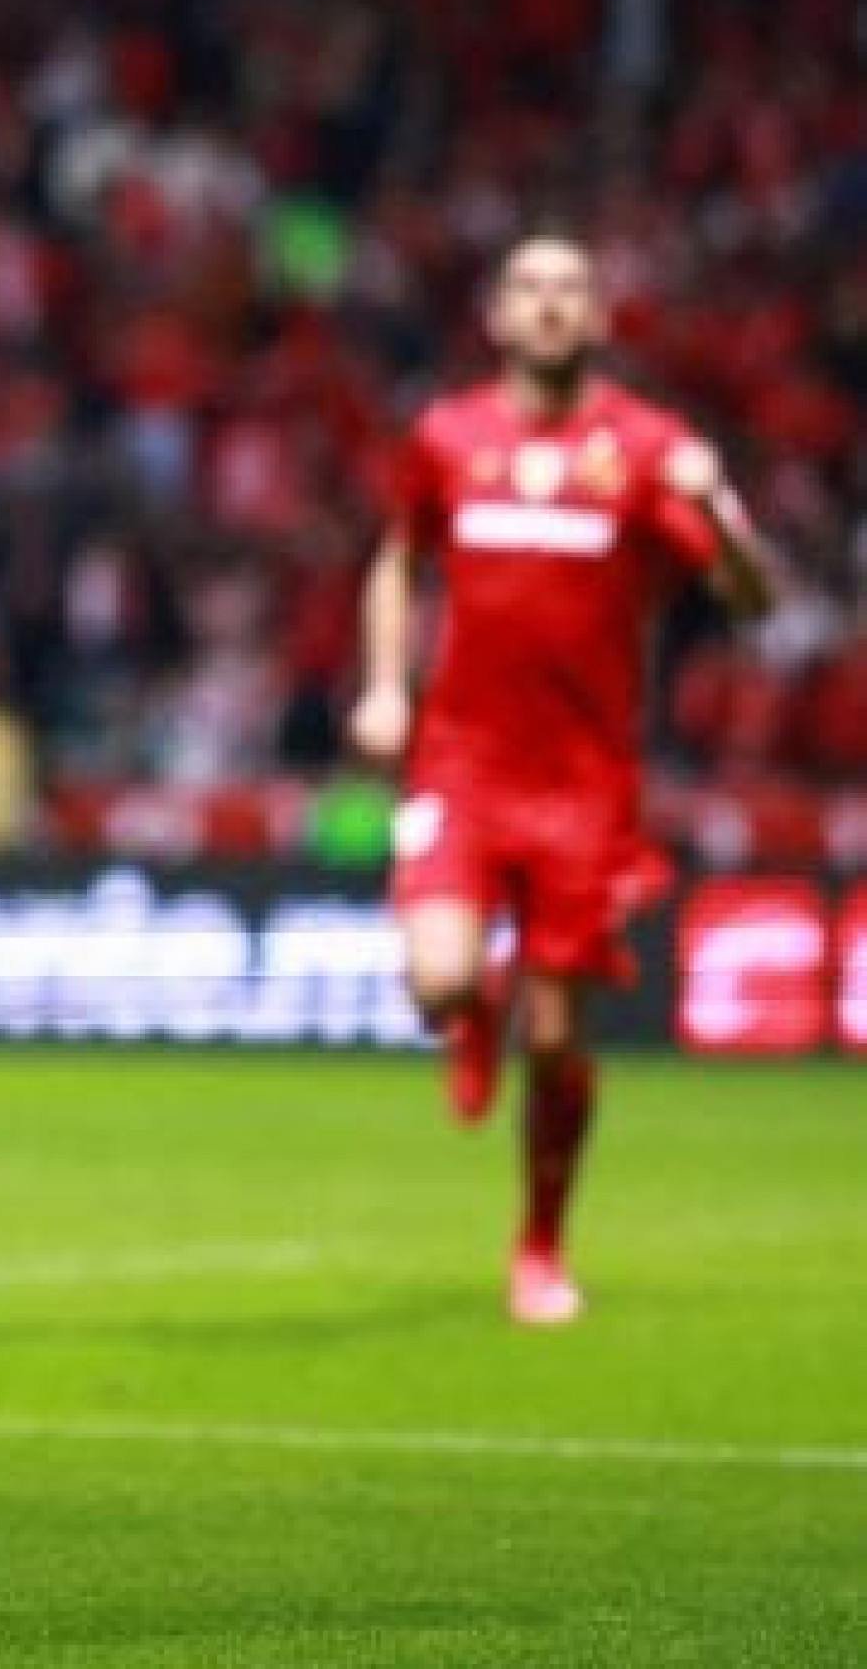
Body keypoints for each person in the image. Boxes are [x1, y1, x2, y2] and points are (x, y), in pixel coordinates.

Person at [353, 234, 774, 1328]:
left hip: (585, 784)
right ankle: (471, 1008)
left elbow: (752, 600)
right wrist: (385, 686)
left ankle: (540, 1244)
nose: (549, 307)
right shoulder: (447, 435)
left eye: (570, 290)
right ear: (497, 314)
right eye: (530, 289)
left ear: (599, 319)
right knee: (438, 980)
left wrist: (719, 502)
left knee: (558, 1035)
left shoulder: (643, 448)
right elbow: (397, 558)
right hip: (461, 759)